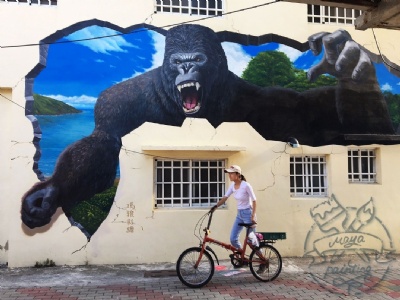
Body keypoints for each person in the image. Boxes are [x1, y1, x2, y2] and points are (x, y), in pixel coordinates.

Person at [211, 165, 258, 251]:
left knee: (252, 241)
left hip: (248, 213)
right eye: (229, 173)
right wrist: (215, 206)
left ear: (237, 174)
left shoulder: (246, 185)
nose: (229, 175)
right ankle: (241, 257)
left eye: (231, 173)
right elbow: (225, 197)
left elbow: (254, 200)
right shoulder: (232, 185)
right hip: (239, 214)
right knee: (233, 239)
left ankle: (262, 260)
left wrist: (253, 215)